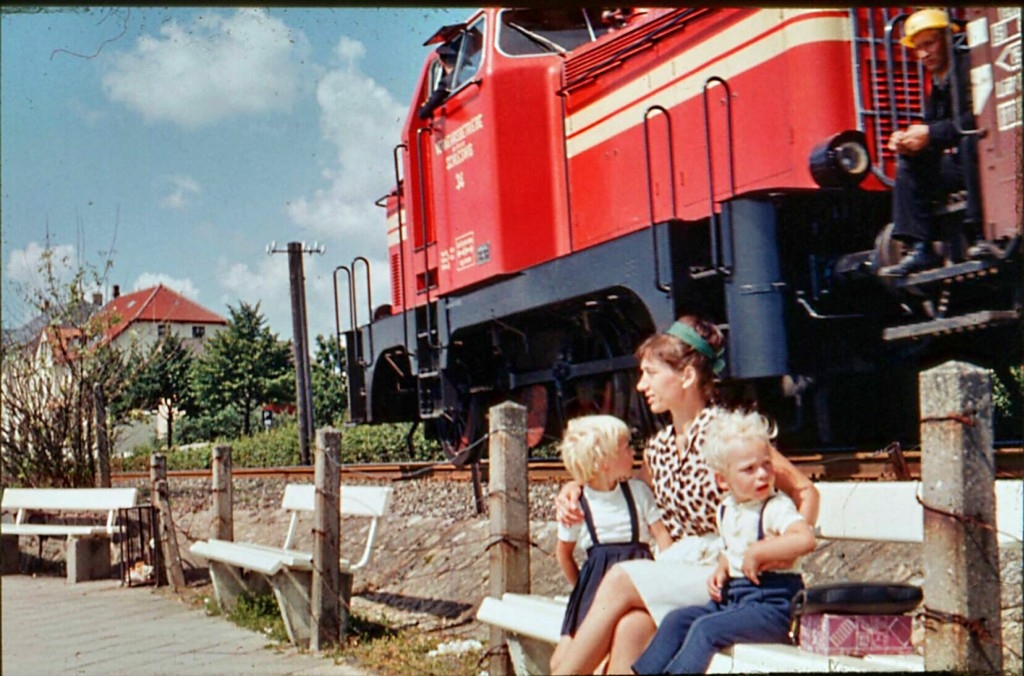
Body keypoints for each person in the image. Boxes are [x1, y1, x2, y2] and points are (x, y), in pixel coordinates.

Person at [552, 316, 819, 675]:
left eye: (650, 373)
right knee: (632, 626)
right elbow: (617, 485)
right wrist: (574, 488)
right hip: (677, 571)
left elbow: (804, 490)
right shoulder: (658, 447)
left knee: (620, 579)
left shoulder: (728, 436)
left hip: (721, 574)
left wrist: (777, 550)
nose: (642, 385)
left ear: (687, 376)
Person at [631, 409, 816, 674]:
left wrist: (762, 550)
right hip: (734, 600)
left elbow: (805, 538)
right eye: (749, 470)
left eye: (766, 464)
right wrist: (722, 567)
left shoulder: (775, 507)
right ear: (722, 480)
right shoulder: (727, 509)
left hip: (772, 607)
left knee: (706, 629)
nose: (762, 475)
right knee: (677, 620)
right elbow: (730, 549)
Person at [549, 415, 673, 672]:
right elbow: (564, 554)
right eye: (626, 447)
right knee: (561, 659)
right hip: (595, 590)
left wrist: (667, 569)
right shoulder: (577, 504)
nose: (633, 452)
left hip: (639, 579)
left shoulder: (638, 493)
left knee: (612, 655)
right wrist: (581, 588)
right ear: (604, 462)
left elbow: (661, 535)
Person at [879, 8, 981, 277]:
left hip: (983, 160)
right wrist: (910, 141)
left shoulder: (969, 65)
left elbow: (978, 117)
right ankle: (921, 247)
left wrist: (931, 134)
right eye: (918, 48)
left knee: (972, 143)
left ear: (948, 38)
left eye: (930, 43)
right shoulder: (938, 83)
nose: (924, 54)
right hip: (963, 165)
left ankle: (980, 232)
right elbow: (935, 128)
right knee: (910, 161)